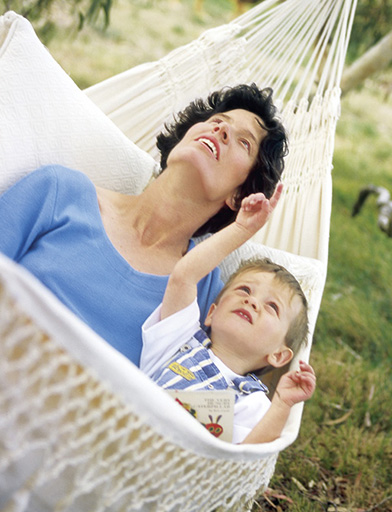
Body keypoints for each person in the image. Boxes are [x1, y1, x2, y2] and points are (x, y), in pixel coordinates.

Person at [0, 83, 288, 366]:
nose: (221, 130)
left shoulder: (208, 296)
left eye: (244, 142)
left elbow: (211, 402)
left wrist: (281, 406)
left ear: (240, 196)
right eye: (217, 121)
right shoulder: (59, 193)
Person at [141, 189, 316, 444]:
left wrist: (282, 404)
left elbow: (247, 457)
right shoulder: (180, 340)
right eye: (244, 290)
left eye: (271, 307)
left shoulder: (251, 402)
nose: (252, 301)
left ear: (278, 355)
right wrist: (241, 229)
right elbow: (184, 276)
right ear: (211, 313)